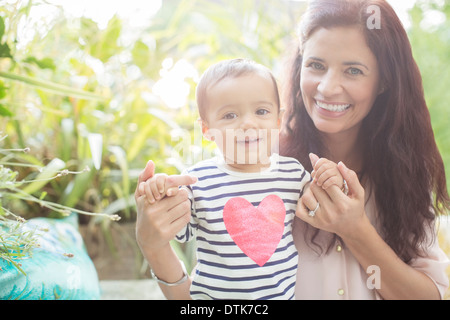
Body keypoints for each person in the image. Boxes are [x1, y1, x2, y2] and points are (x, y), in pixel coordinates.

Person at [135, 0, 450, 300]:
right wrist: (152, 244)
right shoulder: (255, 168)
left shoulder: (403, 175)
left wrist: (355, 230)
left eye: (353, 70)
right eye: (316, 65)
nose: (327, 88)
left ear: (384, 82)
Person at [138, 58, 345, 299]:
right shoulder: (197, 181)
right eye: (229, 115)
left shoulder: (293, 173)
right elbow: (175, 230)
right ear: (206, 130)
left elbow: (324, 205)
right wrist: (160, 194)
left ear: (277, 121)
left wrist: (332, 179)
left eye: (261, 111)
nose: (248, 123)